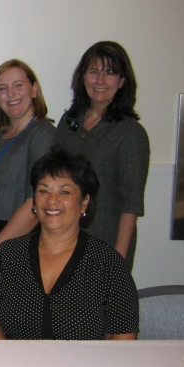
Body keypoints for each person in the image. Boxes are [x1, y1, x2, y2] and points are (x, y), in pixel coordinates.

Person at [0, 146, 138, 340]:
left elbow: (123, 336)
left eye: (65, 192)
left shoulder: (108, 263)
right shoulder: (8, 255)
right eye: (43, 190)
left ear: (84, 202)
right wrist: (12, 366)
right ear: (34, 202)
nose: (52, 200)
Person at [57, 41, 150, 271]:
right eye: (93, 71)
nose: (100, 80)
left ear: (122, 81)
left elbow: (131, 205)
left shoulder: (130, 133)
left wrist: (117, 260)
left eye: (110, 73)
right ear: (83, 77)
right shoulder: (69, 123)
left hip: (104, 248)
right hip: (60, 242)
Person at [0, 59, 56, 285]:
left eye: (18, 85)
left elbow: (37, 200)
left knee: (8, 319)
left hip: (16, 246)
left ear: (34, 89)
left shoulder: (42, 134)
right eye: (2, 88)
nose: (11, 94)